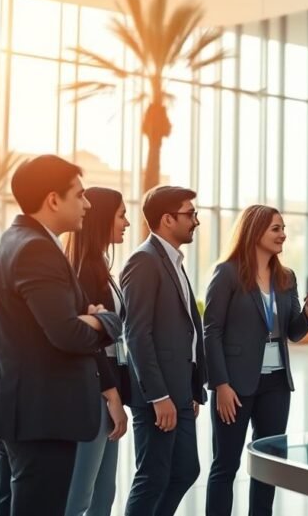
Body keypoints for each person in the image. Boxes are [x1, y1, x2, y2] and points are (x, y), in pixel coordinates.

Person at [0, 155, 120, 516]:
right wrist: (105, 321)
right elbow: (67, 334)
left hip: (20, 411)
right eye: (79, 195)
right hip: (43, 415)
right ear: (53, 199)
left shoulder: (8, 241)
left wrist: (7, 381)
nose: (87, 204)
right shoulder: (37, 249)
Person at [204, 205, 308, 516]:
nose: (283, 234)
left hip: (276, 383)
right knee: (226, 464)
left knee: (269, 462)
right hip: (235, 383)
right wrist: (220, 384)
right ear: (254, 230)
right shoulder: (228, 272)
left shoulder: (286, 277)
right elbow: (211, 330)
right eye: (276, 228)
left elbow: (294, 333)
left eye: (284, 228)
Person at [121, 185, 206, 516]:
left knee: (185, 470)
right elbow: (137, 334)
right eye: (190, 214)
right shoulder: (144, 261)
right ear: (167, 219)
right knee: (153, 476)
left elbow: (185, 329)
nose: (196, 221)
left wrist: (192, 388)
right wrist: (158, 396)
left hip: (181, 392)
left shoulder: (173, 261)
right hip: (159, 397)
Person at [63, 187, 131, 516]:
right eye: (121, 215)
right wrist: (112, 397)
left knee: (104, 493)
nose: (127, 223)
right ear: (103, 219)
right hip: (94, 392)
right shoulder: (83, 272)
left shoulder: (101, 267)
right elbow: (90, 343)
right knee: (81, 497)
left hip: (107, 388)